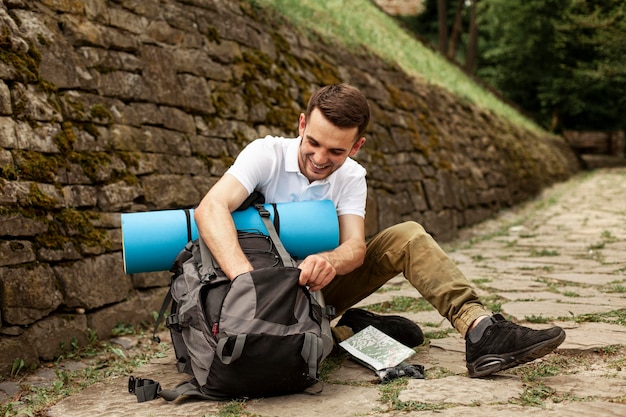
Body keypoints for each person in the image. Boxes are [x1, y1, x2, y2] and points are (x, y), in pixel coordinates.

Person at [194, 83, 566, 378]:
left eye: (337, 152)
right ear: (302, 124)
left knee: (406, 235)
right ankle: (350, 331)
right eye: (314, 143)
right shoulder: (266, 154)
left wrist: (329, 260)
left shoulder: (352, 177)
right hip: (251, 296)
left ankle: (481, 330)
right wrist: (249, 282)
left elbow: (355, 248)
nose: (321, 159)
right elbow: (211, 207)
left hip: (315, 289)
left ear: (357, 146)